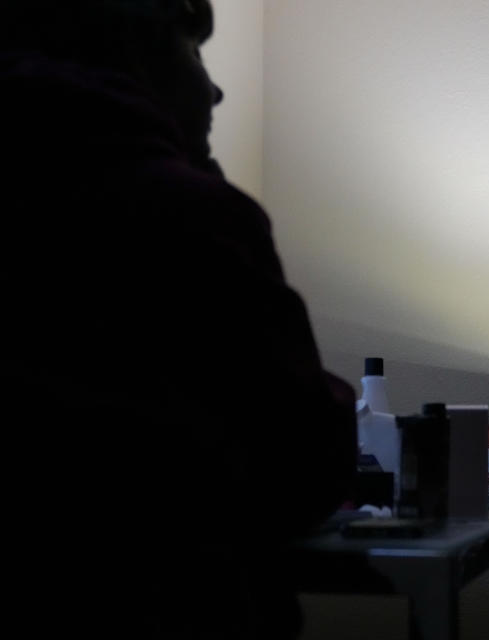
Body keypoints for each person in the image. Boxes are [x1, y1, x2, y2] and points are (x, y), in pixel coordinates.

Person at [1, 1, 355, 638]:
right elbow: (304, 465)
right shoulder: (190, 218)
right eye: (195, 52)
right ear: (139, 58)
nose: (215, 88)